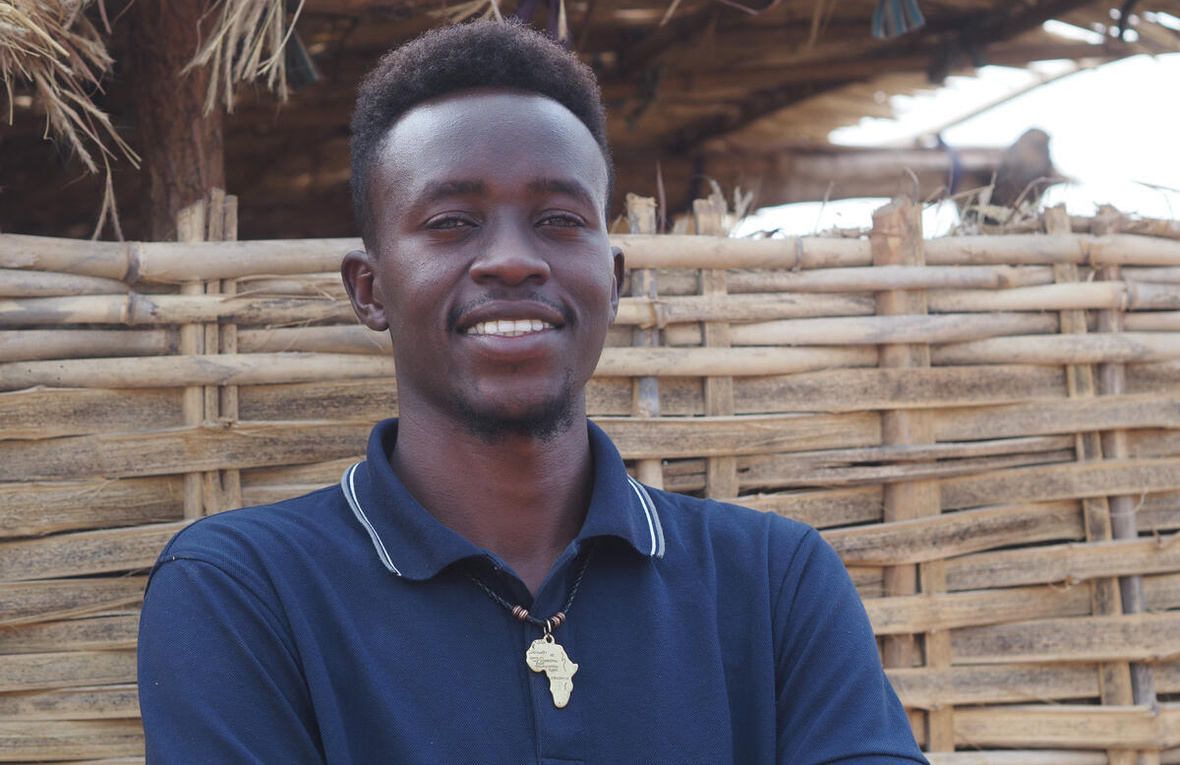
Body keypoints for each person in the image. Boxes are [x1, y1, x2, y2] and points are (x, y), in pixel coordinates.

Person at [137, 20, 929, 765]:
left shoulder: (774, 582)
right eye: (452, 221)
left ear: (612, 281)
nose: (513, 259)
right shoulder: (242, 591)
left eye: (558, 219)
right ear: (369, 289)